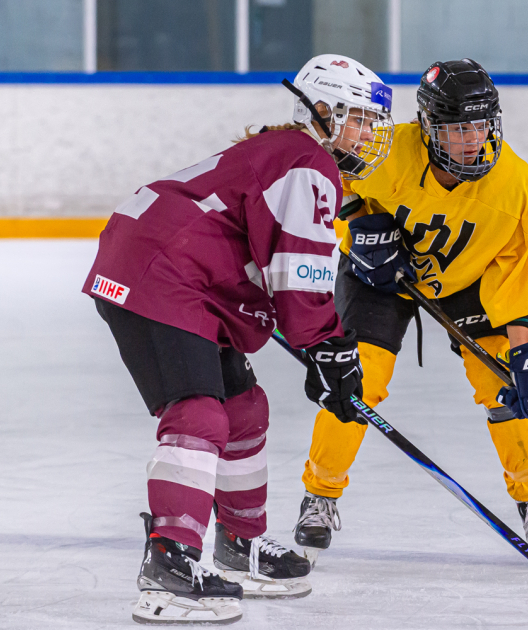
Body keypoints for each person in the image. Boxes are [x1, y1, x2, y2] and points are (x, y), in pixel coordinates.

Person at [82, 54, 394, 625]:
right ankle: (171, 562)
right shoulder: (307, 161)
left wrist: (322, 346)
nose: (371, 134)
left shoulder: (291, 153)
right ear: (324, 111)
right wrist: (327, 346)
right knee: (200, 415)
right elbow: (300, 276)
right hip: (161, 273)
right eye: (362, 120)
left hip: (174, 270)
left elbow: (270, 255)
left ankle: (239, 544)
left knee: (243, 409)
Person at [293, 58, 528, 568]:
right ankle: (321, 495)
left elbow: (517, 276)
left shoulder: (516, 184)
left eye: (479, 125)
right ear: (427, 127)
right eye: (455, 128)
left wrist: (521, 355)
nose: (470, 139)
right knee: (358, 380)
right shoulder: (387, 148)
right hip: (378, 278)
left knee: (501, 381)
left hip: (466, 282)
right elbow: (332, 179)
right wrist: (358, 225)